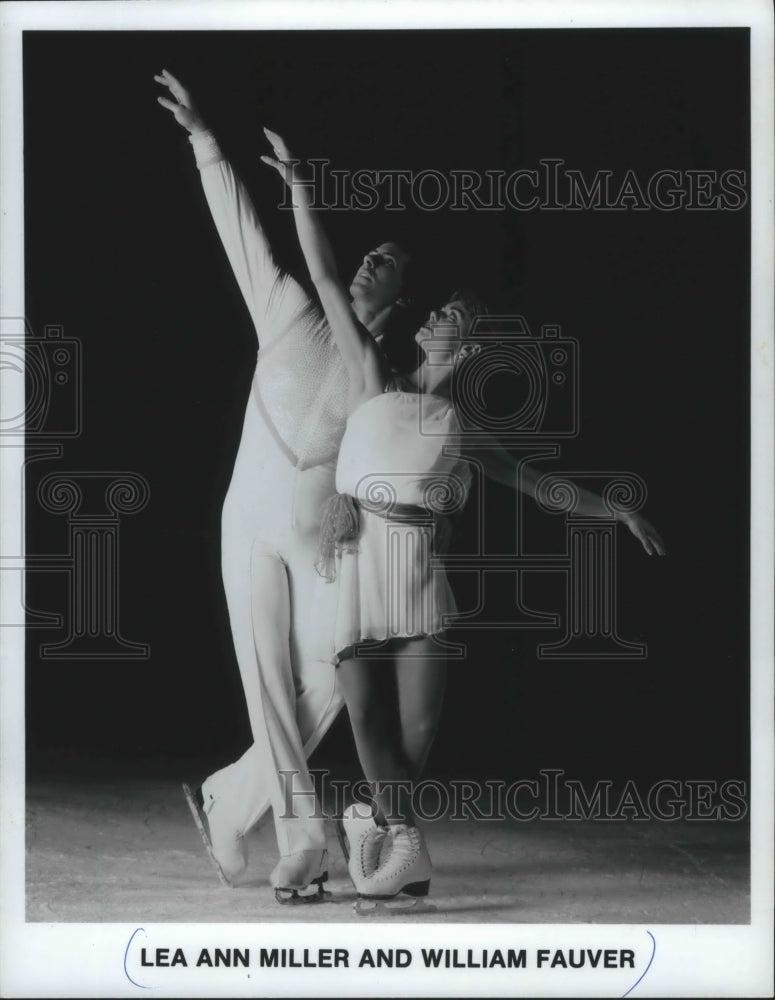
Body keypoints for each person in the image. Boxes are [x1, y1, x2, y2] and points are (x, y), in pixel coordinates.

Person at [260, 129, 666, 906]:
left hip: (418, 574)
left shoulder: (461, 425)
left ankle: (366, 822)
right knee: (373, 728)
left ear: (465, 340)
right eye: (436, 305)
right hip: (357, 563)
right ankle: (400, 851)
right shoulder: (373, 372)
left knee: (414, 741)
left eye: (449, 312)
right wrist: (300, 187)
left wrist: (613, 511)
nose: (434, 315)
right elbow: (317, 270)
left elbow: (535, 485)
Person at [155, 70, 418, 902]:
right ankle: (299, 843)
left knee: (324, 680)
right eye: (370, 250)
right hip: (250, 519)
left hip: (319, 540)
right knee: (264, 675)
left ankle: (230, 796)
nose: (372, 258)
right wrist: (205, 142)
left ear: (398, 299)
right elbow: (244, 235)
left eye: (388, 263)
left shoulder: (391, 373)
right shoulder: (293, 312)